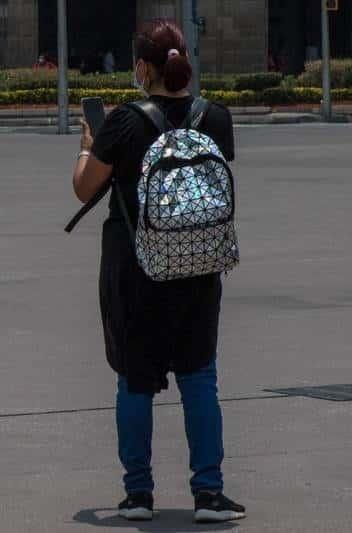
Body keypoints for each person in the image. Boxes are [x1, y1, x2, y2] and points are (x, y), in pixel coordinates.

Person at [70, 20, 246, 523]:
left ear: (143, 67)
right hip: (199, 265)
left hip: (136, 268)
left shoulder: (123, 122)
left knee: (135, 381)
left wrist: (87, 143)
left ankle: (138, 496)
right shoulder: (215, 118)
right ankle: (208, 494)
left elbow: (86, 188)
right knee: (199, 378)